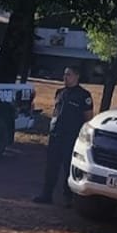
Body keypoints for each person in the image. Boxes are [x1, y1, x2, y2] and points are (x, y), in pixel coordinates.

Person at [33, 65, 94, 205]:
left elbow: (88, 118)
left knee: (68, 167)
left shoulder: (84, 95)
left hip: (71, 137)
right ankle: (46, 195)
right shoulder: (60, 92)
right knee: (51, 167)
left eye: (69, 74)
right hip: (56, 135)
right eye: (65, 74)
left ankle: (68, 198)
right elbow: (56, 112)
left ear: (77, 76)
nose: (65, 77)